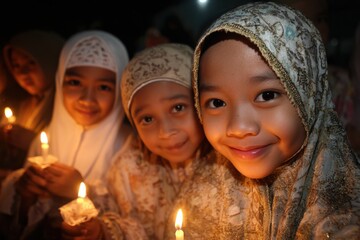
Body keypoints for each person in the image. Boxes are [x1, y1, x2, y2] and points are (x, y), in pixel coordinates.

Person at [164, 2, 360, 239]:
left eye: (267, 95)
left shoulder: (344, 211)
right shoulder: (201, 193)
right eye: (216, 103)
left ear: (310, 96)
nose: (239, 128)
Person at [60, 43, 213, 240]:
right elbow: (125, 222)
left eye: (178, 107)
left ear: (201, 99)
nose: (166, 132)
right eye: (147, 119)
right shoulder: (128, 168)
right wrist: (100, 231)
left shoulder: (231, 162)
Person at [0, 30, 131, 240]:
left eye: (104, 87)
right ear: (60, 80)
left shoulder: (130, 146)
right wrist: (26, 198)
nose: (87, 99)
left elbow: (135, 223)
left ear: (119, 91)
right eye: (75, 83)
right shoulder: (45, 138)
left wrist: (78, 191)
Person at [272, 0, 360, 153]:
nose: (313, 31)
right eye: (295, 21)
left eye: (320, 19)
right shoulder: (261, 92)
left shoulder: (344, 85)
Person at [0, 30, 65, 173]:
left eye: (31, 63)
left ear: (50, 60)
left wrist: (33, 142)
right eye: (16, 65)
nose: (22, 73)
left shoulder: (67, 108)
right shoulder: (24, 105)